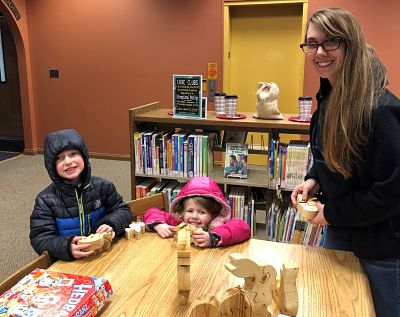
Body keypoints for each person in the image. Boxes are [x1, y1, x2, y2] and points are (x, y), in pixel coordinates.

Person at [291, 8, 400, 317]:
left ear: (350, 44)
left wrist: (331, 212)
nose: (319, 52)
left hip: (380, 247)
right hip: (339, 231)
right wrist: (314, 179)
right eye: (311, 44)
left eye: (331, 42)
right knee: (335, 307)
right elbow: (334, 156)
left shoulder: (381, 110)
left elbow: (391, 193)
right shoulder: (330, 97)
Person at [30, 129, 132, 261]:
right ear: (51, 166)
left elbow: (123, 210)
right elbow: (40, 238)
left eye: (73, 154)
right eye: (59, 158)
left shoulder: (103, 187)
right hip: (70, 263)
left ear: (84, 156)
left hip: (104, 254)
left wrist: (112, 224)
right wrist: (66, 247)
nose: (67, 161)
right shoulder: (45, 200)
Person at [144, 177, 251, 247]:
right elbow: (152, 211)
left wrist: (212, 237)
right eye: (190, 211)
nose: (194, 216)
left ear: (214, 214)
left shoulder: (217, 225)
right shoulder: (179, 222)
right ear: (182, 210)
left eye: (201, 212)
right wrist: (158, 225)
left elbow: (243, 228)